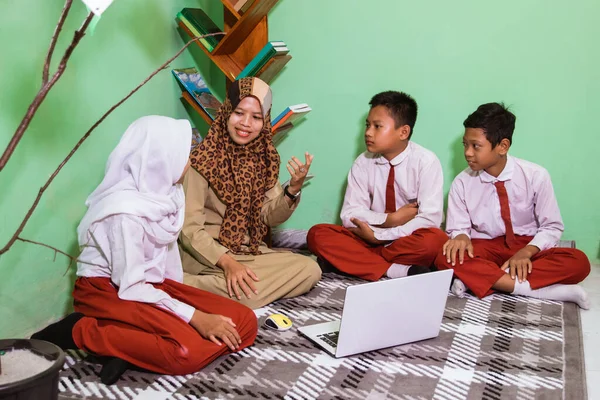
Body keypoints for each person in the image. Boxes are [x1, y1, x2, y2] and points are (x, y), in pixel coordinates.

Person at [32, 116, 258, 384]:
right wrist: (193, 317)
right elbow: (131, 287)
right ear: (160, 158)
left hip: (151, 286)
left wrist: (180, 309)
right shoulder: (124, 212)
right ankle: (81, 330)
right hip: (109, 291)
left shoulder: (167, 193)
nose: (190, 160)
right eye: (184, 154)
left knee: (245, 321)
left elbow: (166, 259)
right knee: (186, 352)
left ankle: (131, 346)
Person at [179, 77, 321, 309]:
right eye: (239, 113)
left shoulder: (264, 158)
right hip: (207, 255)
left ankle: (216, 288)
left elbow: (268, 217)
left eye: (256, 117)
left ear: (264, 120)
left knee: (310, 269)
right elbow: (189, 229)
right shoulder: (202, 160)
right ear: (226, 112)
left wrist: (292, 190)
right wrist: (227, 262)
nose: (246, 123)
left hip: (248, 252)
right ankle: (184, 283)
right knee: (250, 294)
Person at [434, 103, 591, 308]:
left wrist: (526, 252)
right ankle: (542, 290)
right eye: (465, 145)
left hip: (528, 246)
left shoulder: (536, 176)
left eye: (476, 146)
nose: (468, 153)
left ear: (503, 146)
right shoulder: (461, 183)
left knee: (579, 261)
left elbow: (552, 227)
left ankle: (486, 279)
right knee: (443, 258)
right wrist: (461, 237)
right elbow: (459, 229)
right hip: (487, 247)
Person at [307, 91, 447, 281]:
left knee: (434, 242)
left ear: (403, 132)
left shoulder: (426, 162)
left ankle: (349, 263)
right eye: (367, 125)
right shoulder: (363, 162)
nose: (368, 132)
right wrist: (389, 220)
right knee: (318, 234)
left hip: (405, 240)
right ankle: (397, 270)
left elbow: (430, 219)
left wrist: (383, 236)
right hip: (368, 237)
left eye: (377, 126)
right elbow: (349, 214)